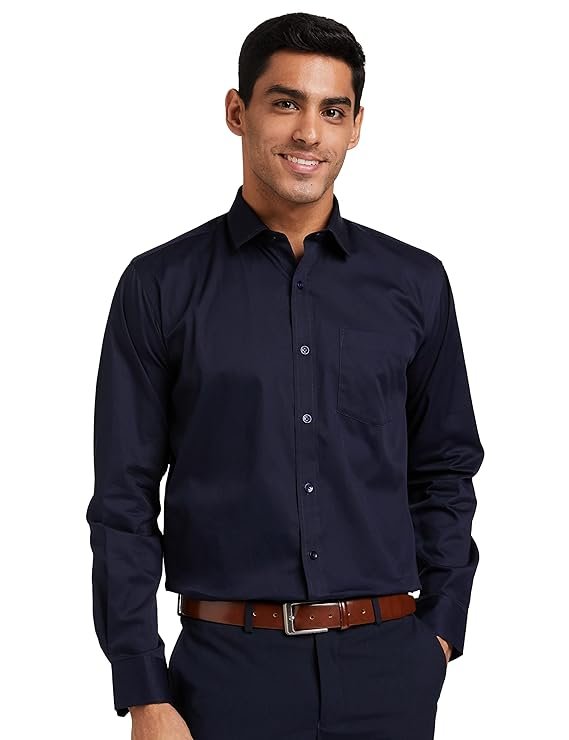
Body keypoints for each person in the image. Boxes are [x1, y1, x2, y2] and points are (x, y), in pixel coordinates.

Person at [86, 11, 484, 740]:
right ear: (237, 112)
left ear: (355, 126)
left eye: (332, 110)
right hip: (224, 678)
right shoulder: (159, 286)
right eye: (285, 102)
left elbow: (445, 471)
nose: (308, 133)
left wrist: (438, 635)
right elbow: (122, 502)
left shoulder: (415, 283)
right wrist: (142, 690)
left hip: (389, 670)